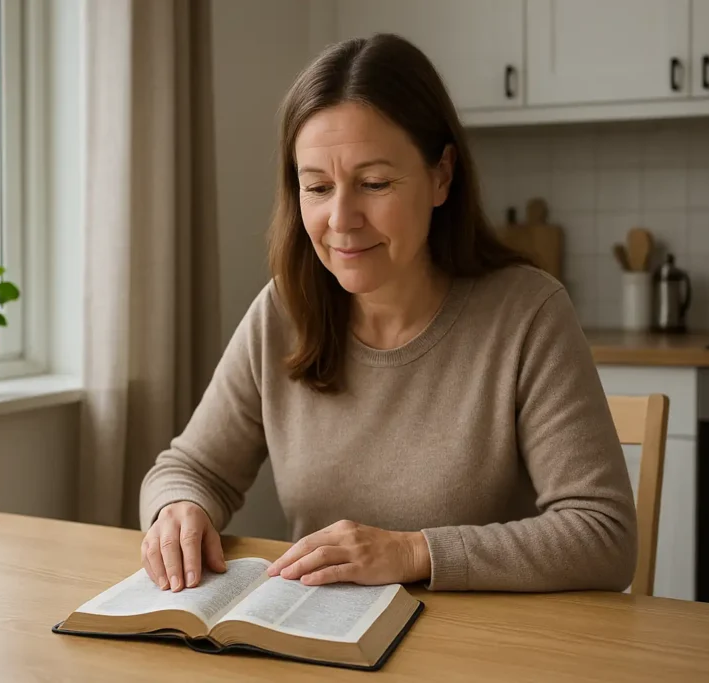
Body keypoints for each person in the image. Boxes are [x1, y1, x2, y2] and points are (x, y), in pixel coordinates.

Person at [139, 33, 637, 594]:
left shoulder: (527, 314)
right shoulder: (284, 310)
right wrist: (177, 509)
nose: (341, 219)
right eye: (318, 188)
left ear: (441, 176)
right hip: (322, 645)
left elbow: (604, 536)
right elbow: (190, 469)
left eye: (374, 184)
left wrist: (412, 551)